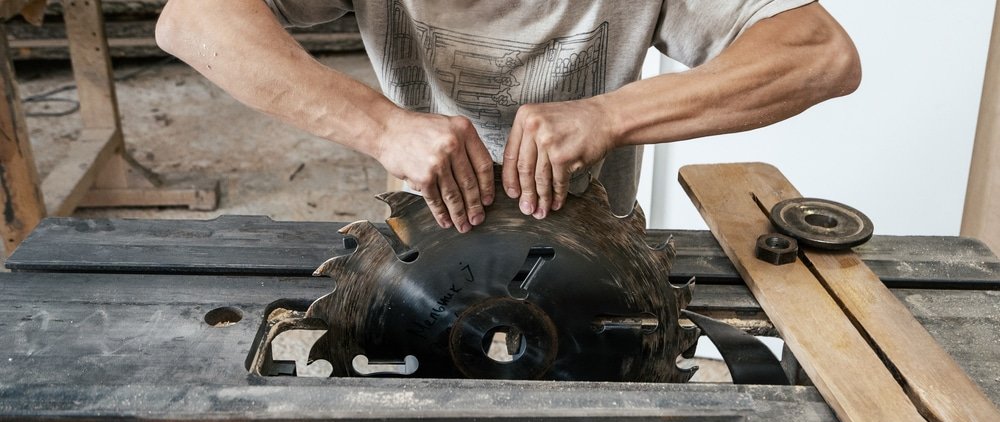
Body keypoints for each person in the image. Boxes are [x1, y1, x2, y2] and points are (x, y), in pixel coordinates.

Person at [155, 1, 860, 232]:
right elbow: (192, 19)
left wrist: (609, 115)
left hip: (597, 250)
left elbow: (820, 52)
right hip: (420, 247)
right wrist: (380, 126)